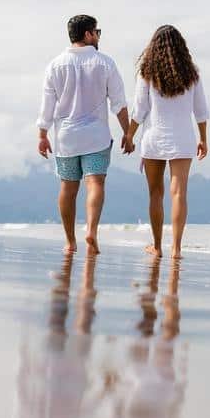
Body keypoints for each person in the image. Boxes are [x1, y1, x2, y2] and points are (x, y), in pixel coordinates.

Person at [36, 14, 135, 255]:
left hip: (66, 138)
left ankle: (70, 242)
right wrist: (128, 133)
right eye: (97, 32)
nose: (98, 36)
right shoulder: (105, 63)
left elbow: (47, 106)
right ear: (87, 34)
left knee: (68, 188)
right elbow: (119, 103)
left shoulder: (55, 65)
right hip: (96, 136)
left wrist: (42, 134)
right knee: (95, 183)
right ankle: (91, 230)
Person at [127, 25, 209, 259]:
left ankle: (158, 246)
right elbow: (201, 111)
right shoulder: (192, 74)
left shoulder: (147, 73)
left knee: (155, 194)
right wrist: (203, 139)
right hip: (183, 139)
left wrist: (129, 135)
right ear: (182, 47)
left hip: (154, 139)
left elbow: (139, 110)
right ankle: (176, 248)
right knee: (179, 193)